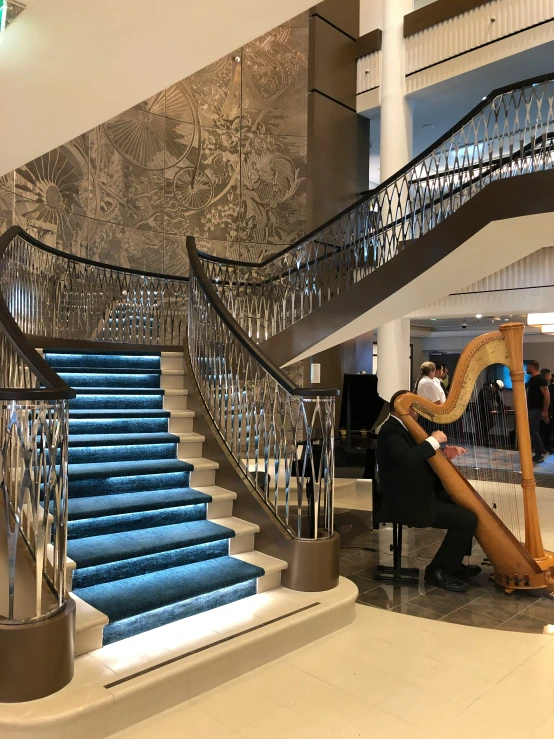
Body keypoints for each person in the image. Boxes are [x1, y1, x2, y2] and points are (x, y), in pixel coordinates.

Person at [377, 390, 479, 593]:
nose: (418, 411)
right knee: (467, 519)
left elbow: (417, 461)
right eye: (415, 407)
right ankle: (437, 571)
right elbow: (406, 459)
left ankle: (453, 563)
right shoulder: (390, 430)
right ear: (404, 409)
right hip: (406, 501)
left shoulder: (405, 428)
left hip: (418, 492)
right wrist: (433, 441)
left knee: (466, 504)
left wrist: (443, 454)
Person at [526, 360, 550, 463]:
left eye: (528, 367)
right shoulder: (532, 379)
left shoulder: (540, 379)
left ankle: (541, 451)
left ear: (533, 367)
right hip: (532, 409)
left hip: (536, 409)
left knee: (533, 430)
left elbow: (546, 395)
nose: (526, 369)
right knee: (533, 430)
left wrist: (545, 411)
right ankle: (538, 453)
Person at [477, 379, 505, 447]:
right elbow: (486, 401)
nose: (497, 391)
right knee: (483, 425)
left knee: (489, 424)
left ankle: (484, 440)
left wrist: (504, 407)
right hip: (481, 410)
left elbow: (498, 399)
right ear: (494, 386)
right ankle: (481, 441)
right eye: (497, 389)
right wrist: (492, 409)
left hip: (487, 411)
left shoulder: (494, 391)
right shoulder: (485, 390)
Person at [540, 369, 553, 453]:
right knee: (546, 431)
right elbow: (547, 400)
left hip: (542, 411)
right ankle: (545, 447)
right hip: (546, 411)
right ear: (547, 375)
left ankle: (544, 447)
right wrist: (546, 413)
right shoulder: (546, 387)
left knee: (544, 431)